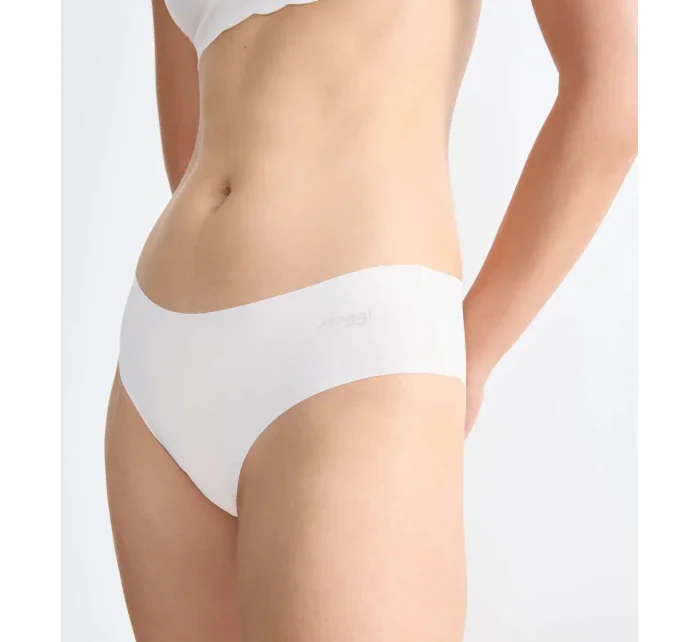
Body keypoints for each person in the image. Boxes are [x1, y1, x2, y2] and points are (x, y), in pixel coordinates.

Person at [105, 0, 637, 640]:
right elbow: (192, 142)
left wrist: (474, 351)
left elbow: (614, 91)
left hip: (353, 348)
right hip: (159, 365)